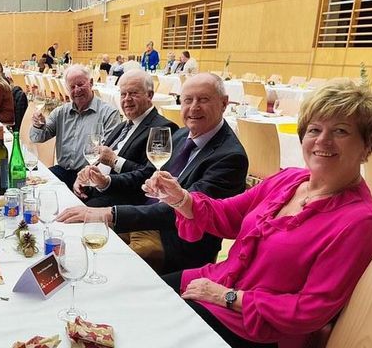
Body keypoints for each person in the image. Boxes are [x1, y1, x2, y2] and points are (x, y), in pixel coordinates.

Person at [148, 82, 372, 347]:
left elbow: (310, 310)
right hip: (217, 281)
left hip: (257, 327)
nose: (322, 140)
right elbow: (229, 214)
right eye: (314, 129)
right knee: (139, 293)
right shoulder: (290, 179)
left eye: (340, 131)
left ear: (367, 145)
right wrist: (181, 198)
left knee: (147, 330)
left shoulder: (362, 222)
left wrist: (227, 297)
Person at [57, 73, 248, 274]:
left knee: (107, 263)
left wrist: (110, 213)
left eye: (203, 99)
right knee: (77, 240)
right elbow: (146, 176)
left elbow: (184, 210)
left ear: (224, 103)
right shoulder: (182, 134)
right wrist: (106, 183)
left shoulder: (230, 157)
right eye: (187, 100)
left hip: (175, 240)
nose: (193, 108)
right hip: (145, 218)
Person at [73, 70, 178, 207]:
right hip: (95, 191)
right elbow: (99, 159)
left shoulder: (163, 128)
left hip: (121, 200)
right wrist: (84, 177)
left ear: (149, 95)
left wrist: (114, 161)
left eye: (133, 93)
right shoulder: (123, 125)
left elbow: (151, 175)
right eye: (123, 94)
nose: (127, 99)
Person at [30, 65, 120, 189]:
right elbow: (36, 138)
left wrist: (88, 176)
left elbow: (110, 153)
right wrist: (38, 124)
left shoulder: (109, 113)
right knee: (37, 188)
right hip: (63, 171)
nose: (77, 90)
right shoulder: (61, 112)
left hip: (91, 175)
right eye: (72, 87)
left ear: (91, 83)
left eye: (80, 84)